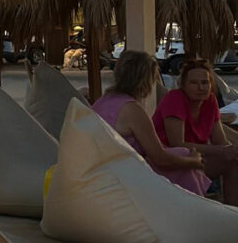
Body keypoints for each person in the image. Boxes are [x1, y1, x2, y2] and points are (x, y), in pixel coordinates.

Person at [92, 50, 218, 192]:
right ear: (147, 80)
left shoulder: (102, 102)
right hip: (123, 177)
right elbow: (160, 158)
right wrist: (193, 162)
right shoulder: (132, 110)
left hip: (105, 170)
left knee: (180, 155)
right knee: (182, 155)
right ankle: (197, 204)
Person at [156, 57, 238, 206]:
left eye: (205, 82)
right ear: (183, 85)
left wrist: (233, 150)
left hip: (196, 160)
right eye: (194, 83)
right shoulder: (175, 99)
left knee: (236, 161)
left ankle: (233, 212)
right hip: (171, 162)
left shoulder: (210, 101)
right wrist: (222, 150)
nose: (200, 88)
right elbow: (177, 143)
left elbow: (220, 141)